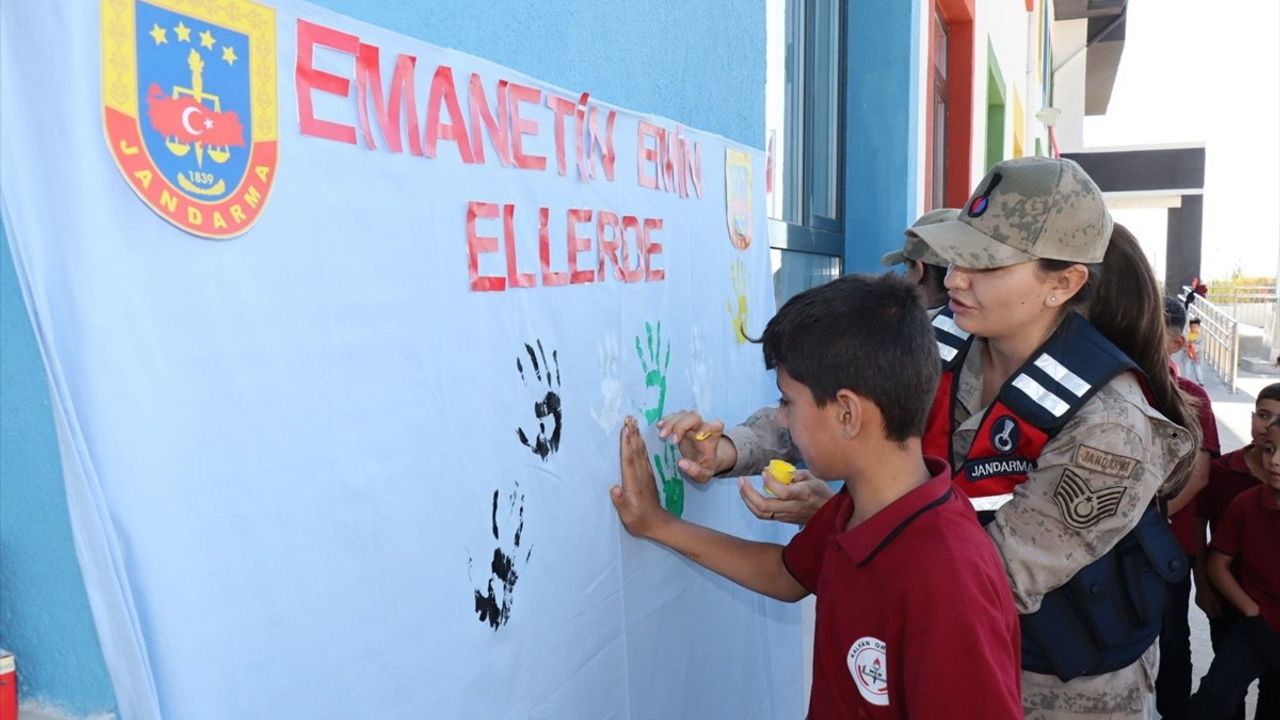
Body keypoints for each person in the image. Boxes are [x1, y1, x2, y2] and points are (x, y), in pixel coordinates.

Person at [661, 157, 1201, 718]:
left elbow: (984, 577)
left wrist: (854, 517)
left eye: (986, 265)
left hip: (1057, 693)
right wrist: (730, 451)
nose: (957, 279)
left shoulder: (1111, 428)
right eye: (959, 256)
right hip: (922, 664)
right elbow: (842, 410)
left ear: (1062, 284)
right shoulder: (944, 333)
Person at [609, 273, 1023, 719]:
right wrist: (657, 523)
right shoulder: (861, 506)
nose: (783, 421)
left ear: (847, 413)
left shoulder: (946, 580)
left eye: (788, 402)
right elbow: (786, 574)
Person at [1197, 382, 1280, 719]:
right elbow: (1217, 563)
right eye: (1270, 450)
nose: (1274, 461)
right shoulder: (1246, 503)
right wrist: (1250, 610)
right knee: (1214, 699)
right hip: (1251, 622)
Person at [1156, 296, 1221, 720]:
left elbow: (1199, 476)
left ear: (1176, 345)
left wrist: (1143, 523)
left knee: (1172, 637)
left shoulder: (1193, 397)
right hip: (1114, 545)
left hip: (1168, 546)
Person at [880, 207, 958, 310]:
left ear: (918, 269)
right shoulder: (977, 323)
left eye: (905, 270)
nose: (905, 278)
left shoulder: (912, 324)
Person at [1181, 317, 1205, 385]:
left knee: (1198, 369)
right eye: (1192, 327)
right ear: (1189, 327)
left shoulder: (1201, 336)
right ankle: (1186, 381)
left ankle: (1200, 381)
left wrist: (1195, 347)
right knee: (1186, 369)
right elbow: (1183, 345)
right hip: (1187, 355)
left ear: (1199, 327)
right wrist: (1186, 347)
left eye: (1195, 327)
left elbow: (1201, 346)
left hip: (1197, 356)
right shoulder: (1186, 335)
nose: (1194, 328)